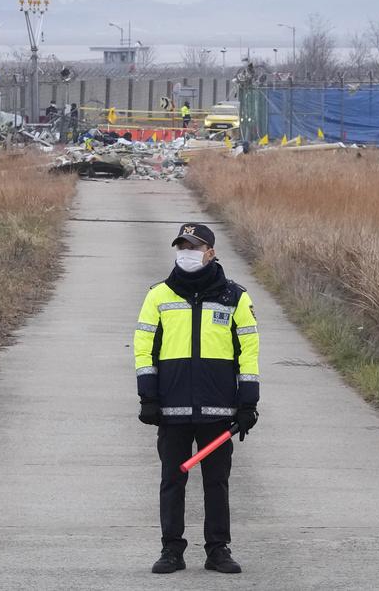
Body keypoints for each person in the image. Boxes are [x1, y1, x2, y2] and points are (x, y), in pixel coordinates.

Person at [134, 223, 260, 575]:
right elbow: (144, 349)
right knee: (172, 481)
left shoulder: (235, 297)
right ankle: (171, 550)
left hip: (219, 410)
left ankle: (218, 550)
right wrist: (148, 397)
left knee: (216, 483)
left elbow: (248, 353)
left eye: (194, 246)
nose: (187, 252)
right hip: (171, 410)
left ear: (211, 252)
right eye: (182, 246)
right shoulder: (158, 295)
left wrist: (248, 403)